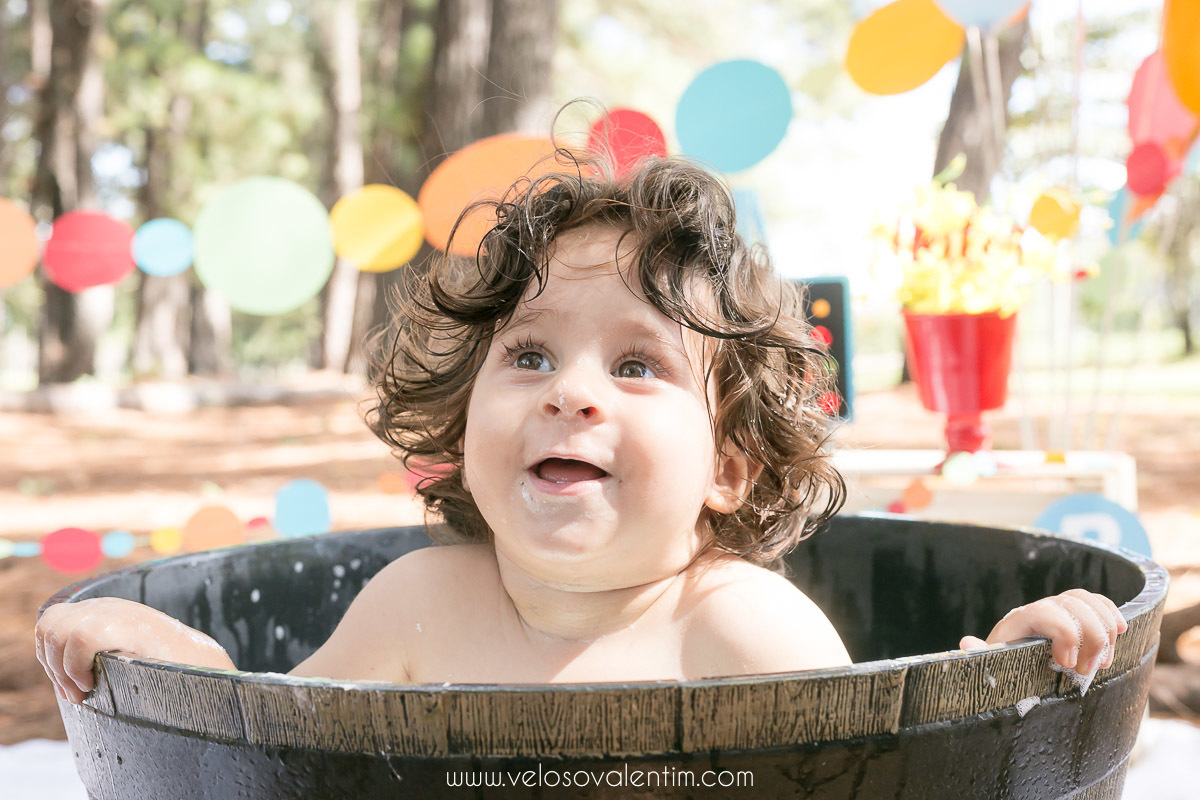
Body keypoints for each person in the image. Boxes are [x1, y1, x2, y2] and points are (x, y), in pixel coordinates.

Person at [36, 149, 1126, 704]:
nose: (573, 392)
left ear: (730, 469)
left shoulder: (737, 628)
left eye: (639, 364)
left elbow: (887, 762)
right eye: (529, 354)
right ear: (464, 427)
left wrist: (1001, 673)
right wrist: (185, 661)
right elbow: (280, 742)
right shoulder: (419, 600)